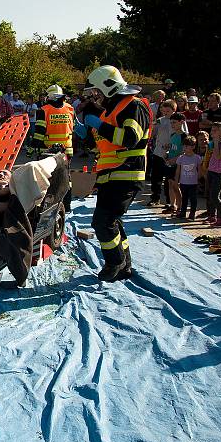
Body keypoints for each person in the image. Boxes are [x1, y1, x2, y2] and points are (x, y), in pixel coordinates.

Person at [82, 65, 151, 281]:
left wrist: (98, 126)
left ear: (108, 87)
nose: (95, 96)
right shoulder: (109, 111)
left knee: (102, 222)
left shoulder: (133, 105)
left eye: (97, 91)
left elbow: (129, 138)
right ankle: (124, 266)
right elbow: (102, 147)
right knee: (112, 222)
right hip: (111, 175)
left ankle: (114, 263)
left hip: (127, 173)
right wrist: (86, 136)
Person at [149, 99, 182, 207]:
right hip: (158, 151)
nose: (165, 113)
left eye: (167, 111)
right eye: (163, 111)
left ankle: (169, 200)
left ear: (174, 110)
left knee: (169, 179)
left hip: (171, 153)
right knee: (155, 177)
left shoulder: (179, 120)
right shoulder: (160, 120)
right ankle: (155, 197)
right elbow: (153, 132)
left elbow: (182, 135)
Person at [164, 112, 187, 215]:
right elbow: (173, 148)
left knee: (176, 186)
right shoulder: (173, 134)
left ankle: (180, 207)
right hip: (170, 163)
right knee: (170, 184)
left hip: (178, 165)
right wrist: (167, 152)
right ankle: (172, 205)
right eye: (171, 123)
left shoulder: (184, 136)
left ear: (181, 122)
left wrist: (175, 159)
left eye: (174, 122)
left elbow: (185, 152)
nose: (172, 125)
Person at [175, 135, 202, 220]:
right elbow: (178, 170)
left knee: (193, 199)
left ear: (193, 147)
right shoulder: (181, 158)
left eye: (187, 146)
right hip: (183, 182)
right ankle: (183, 212)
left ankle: (192, 214)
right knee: (184, 198)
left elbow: (200, 170)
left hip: (193, 183)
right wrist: (176, 180)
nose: (184, 147)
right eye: (184, 145)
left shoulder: (197, 158)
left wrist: (199, 179)